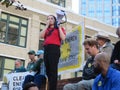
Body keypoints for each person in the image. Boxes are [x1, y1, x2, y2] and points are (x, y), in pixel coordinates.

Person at [40, 15, 66, 90]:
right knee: (48, 70)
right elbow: (41, 36)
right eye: (48, 18)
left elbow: (63, 38)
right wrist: (46, 26)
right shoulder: (46, 29)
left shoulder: (58, 28)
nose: (50, 20)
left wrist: (59, 27)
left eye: (51, 18)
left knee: (53, 70)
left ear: (55, 20)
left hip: (54, 49)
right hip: (46, 49)